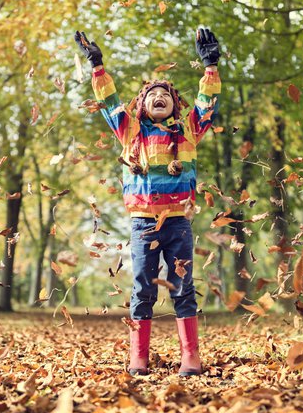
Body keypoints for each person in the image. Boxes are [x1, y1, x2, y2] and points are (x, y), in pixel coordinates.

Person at [74, 28, 221, 376]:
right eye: (152, 93)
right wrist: (98, 67)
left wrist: (211, 67)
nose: (159, 96)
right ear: (141, 104)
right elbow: (109, 103)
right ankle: (138, 356)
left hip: (178, 224)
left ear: (174, 105)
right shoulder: (130, 133)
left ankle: (191, 356)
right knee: (143, 288)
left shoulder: (187, 132)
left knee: (184, 287)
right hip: (142, 225)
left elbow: (205, 105)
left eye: (165, 94)